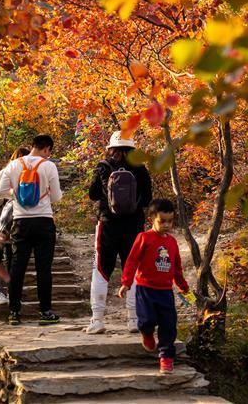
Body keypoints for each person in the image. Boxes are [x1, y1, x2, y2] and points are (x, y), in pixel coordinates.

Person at [85, 131, 152, 334]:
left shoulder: (103, 166)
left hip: (108, 225)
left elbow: (92, 194)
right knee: (133, 270)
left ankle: (97, 320)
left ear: (111, 147)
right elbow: (147, 199)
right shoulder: (140, 168)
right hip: (134, 226)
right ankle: (133, 319)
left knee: (101, 270)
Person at [118, 198, 189, 375]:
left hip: (165, 291)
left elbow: (176, 267)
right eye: (162, 221)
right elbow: (132, 261)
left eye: (170, 221)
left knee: (168, 324)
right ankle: (147, 334)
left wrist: (183, 286)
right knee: (146, 320)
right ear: (152, 219)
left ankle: (166, 357)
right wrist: (126, 282)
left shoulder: (172, 242)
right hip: (146, 289)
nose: (167, 225)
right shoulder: (144, 238)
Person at [0, 134, 63, 325]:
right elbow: (56, 197)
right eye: (49, 152)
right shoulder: (48, 166)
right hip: (44, 222)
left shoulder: (14, 165)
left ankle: (14, 312)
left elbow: (0, 192)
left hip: (20, 222)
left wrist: (17, 195)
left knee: (17, 267)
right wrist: (44, 195)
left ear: (33, 145)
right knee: (44, 268)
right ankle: (45, 312)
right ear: (47, 148)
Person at [0, 146, 29, 304]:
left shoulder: (26, 176)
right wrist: (7, 199)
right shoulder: (3, 173)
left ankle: (12, 290)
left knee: (12, 256)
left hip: (14, 221)